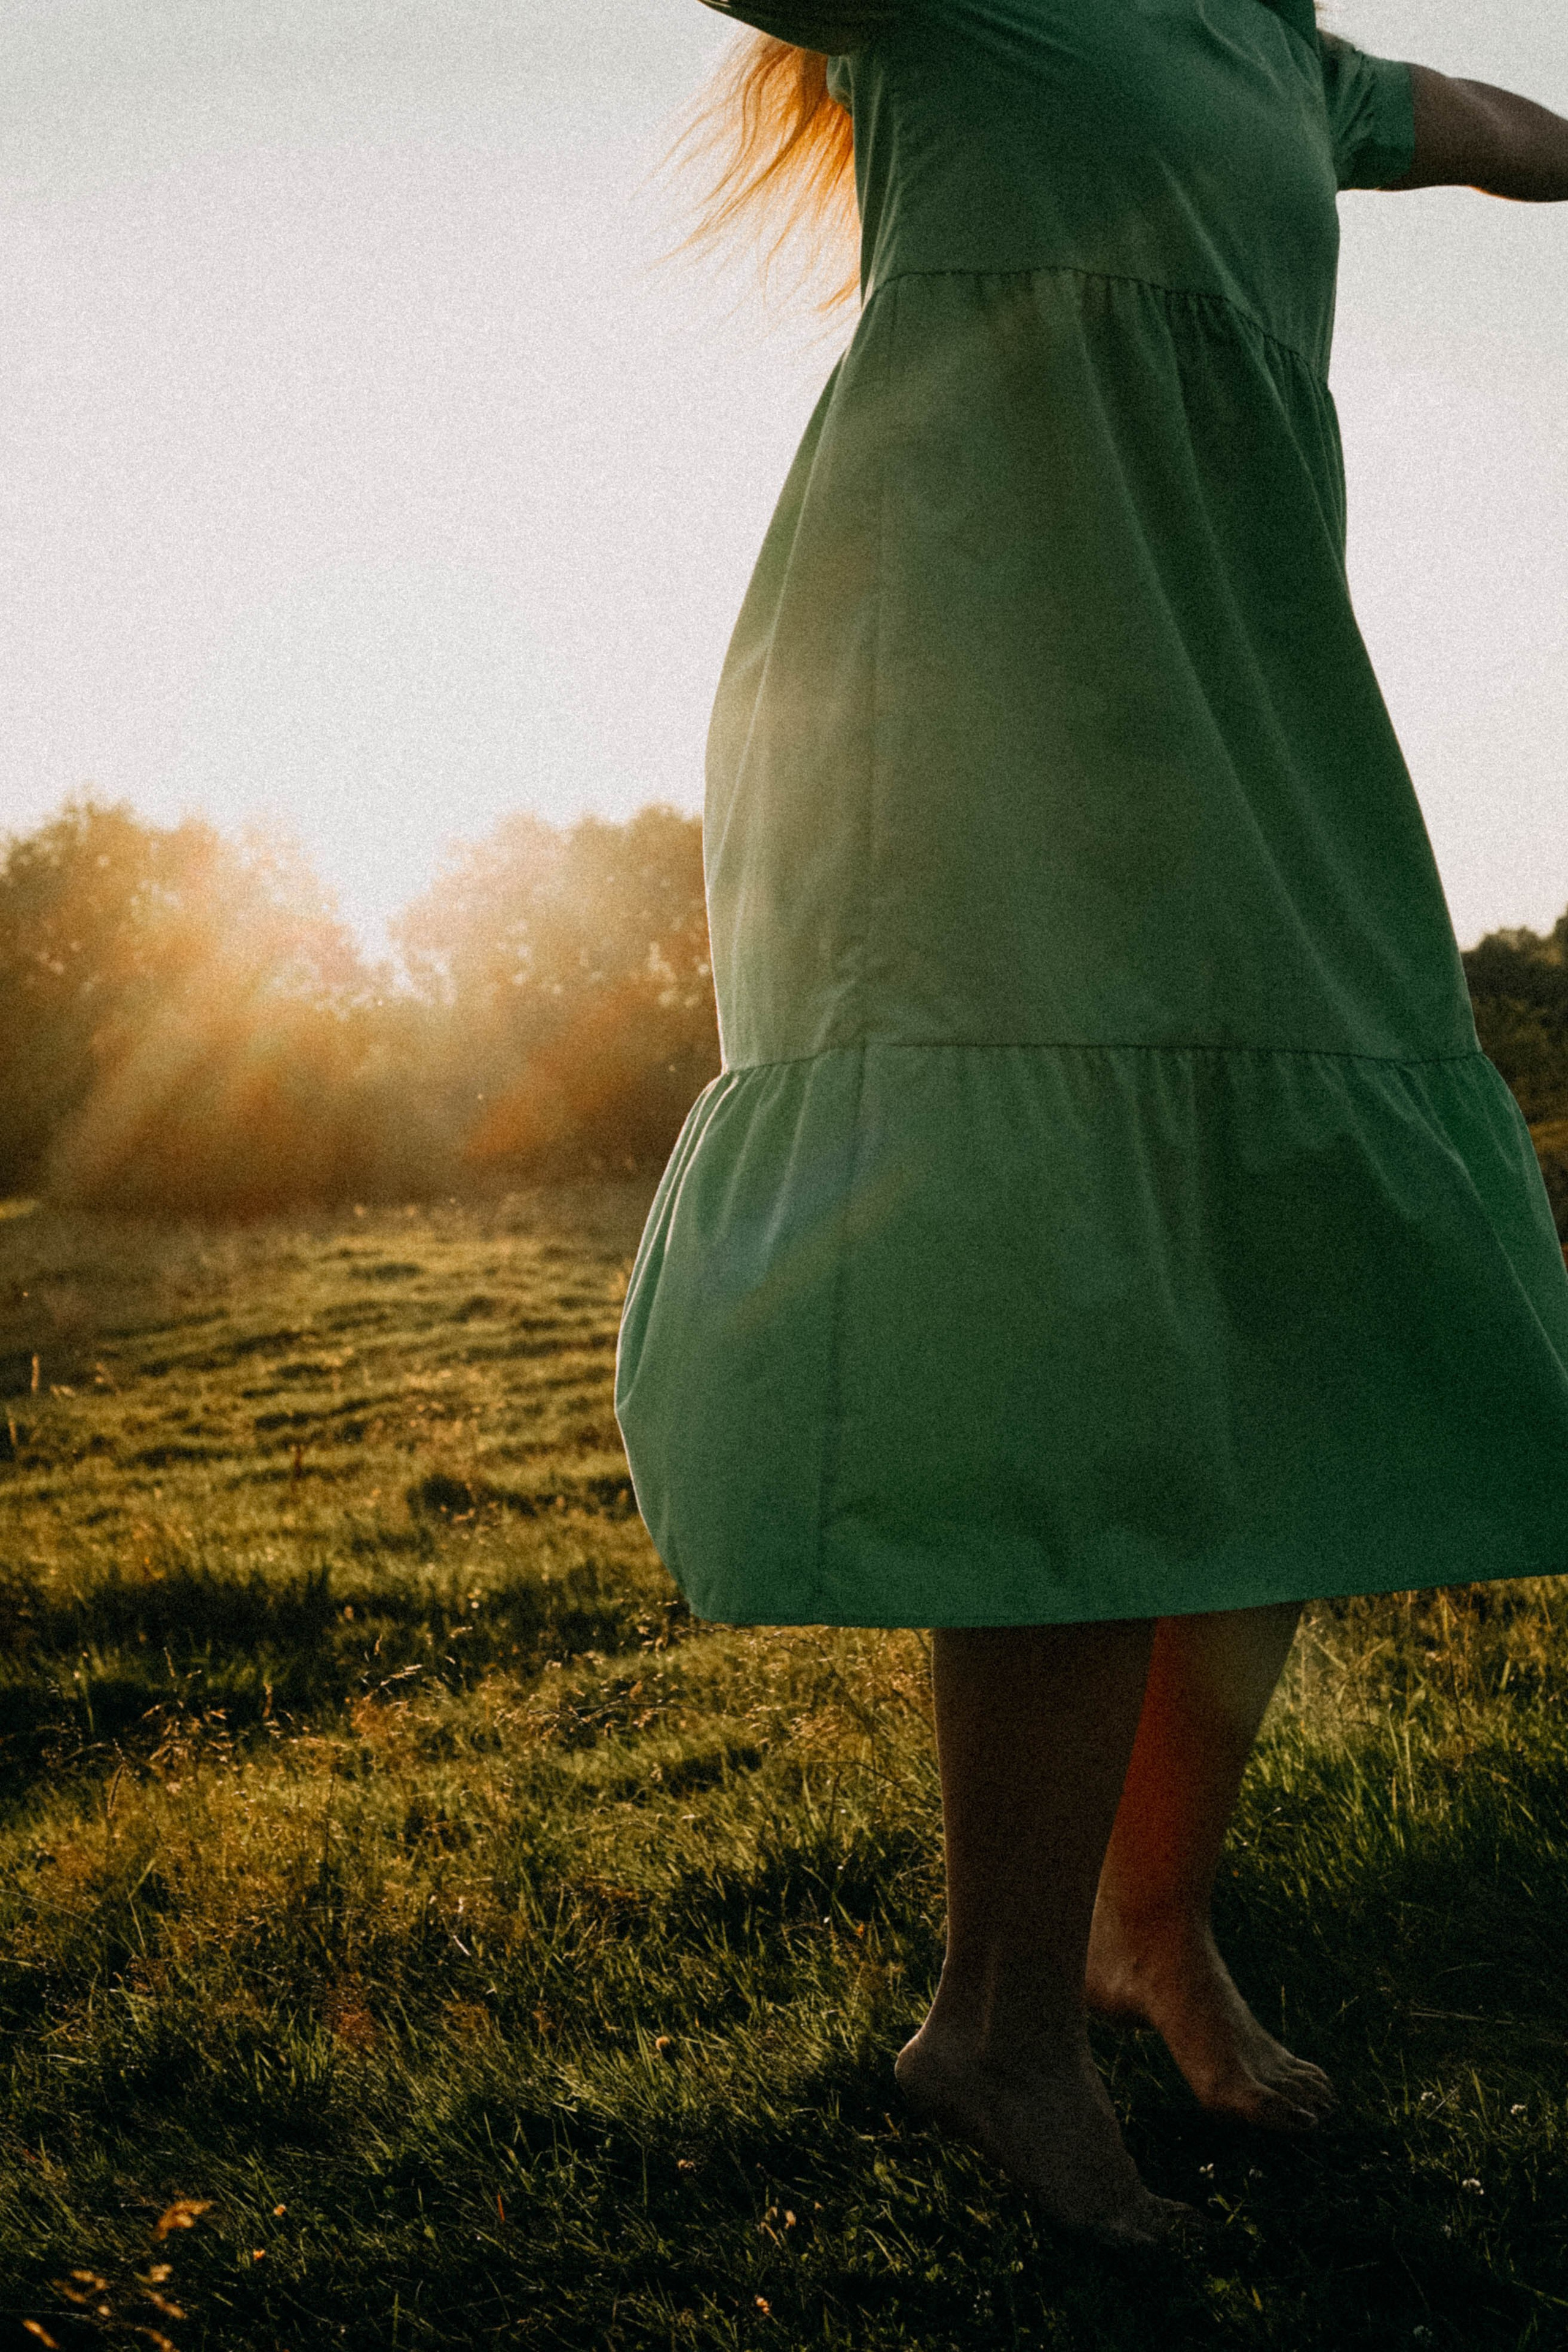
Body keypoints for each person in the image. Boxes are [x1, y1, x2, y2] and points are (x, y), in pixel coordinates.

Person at [614, 0, 1568, 2247]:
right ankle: (1002, 2026)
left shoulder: (1285, 62)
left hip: (1238, 692)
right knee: (1073, 1326)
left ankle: (1152, 1925)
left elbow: (1522, 130)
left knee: (1276, 1297)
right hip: (971, 684)